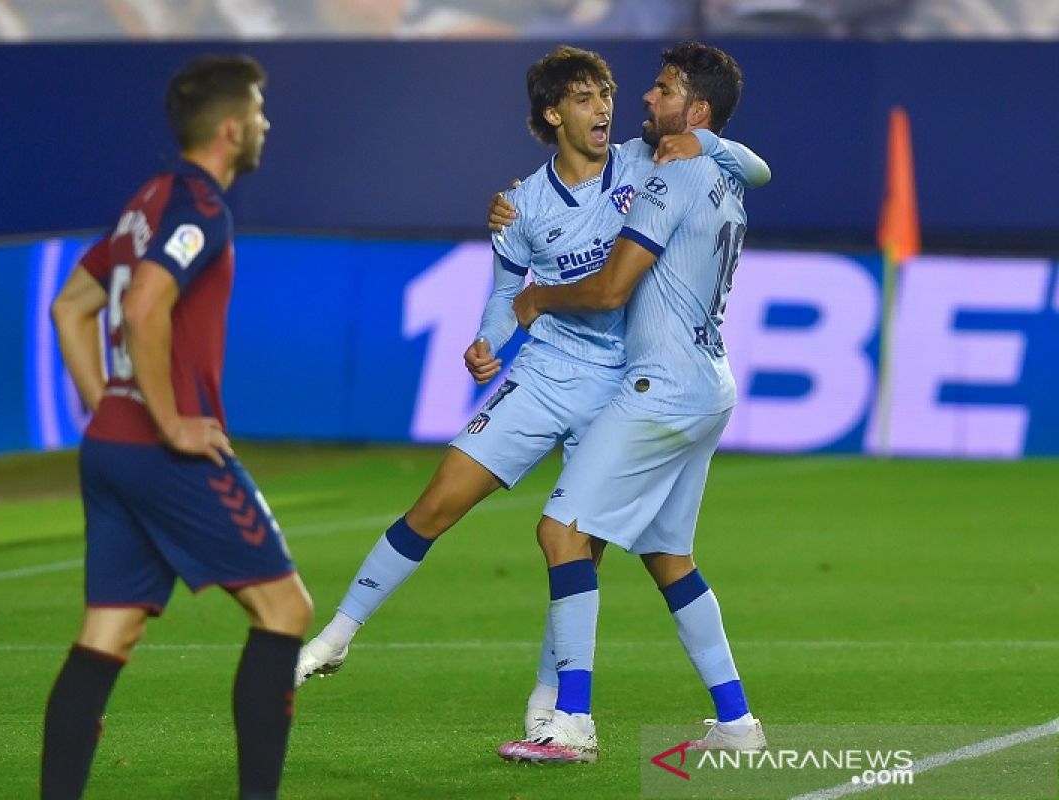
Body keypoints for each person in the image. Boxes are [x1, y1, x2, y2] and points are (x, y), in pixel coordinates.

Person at [295, 45, 769, 745]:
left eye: (607, 92)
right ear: (553, 114)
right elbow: (506, 294)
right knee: (438, 503)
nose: (608, 106)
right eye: (585, 97)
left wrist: (706, 138)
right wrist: (488, 342)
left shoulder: (651, 162)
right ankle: (337, 633)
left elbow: (751, 169)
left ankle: (554, 705)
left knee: (574, 544)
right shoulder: (519, 205)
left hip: (624, 386)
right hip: (549, 374)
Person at [42, 54, 312, 800]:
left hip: (111, 449)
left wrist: (109, 405)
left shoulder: (148, 200)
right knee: (285, 609)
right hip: (163, 451)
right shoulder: (199, 205)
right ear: (231, 129)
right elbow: (143, 304)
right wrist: (168, 422)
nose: (265, 124)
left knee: (110, 633)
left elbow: (70, 307)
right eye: (258, 112)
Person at [499, 41, 767, 765]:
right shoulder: (720, 169)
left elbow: (611, 290)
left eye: (663, 88)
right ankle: (737, 721)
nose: (646, 99)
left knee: (561, 533)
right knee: (667, 555)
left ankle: (572, 723)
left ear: (696, 109)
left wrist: (537, 299)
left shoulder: (669, 179)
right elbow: (757, 164)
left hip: (661, 388)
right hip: (710, 384)